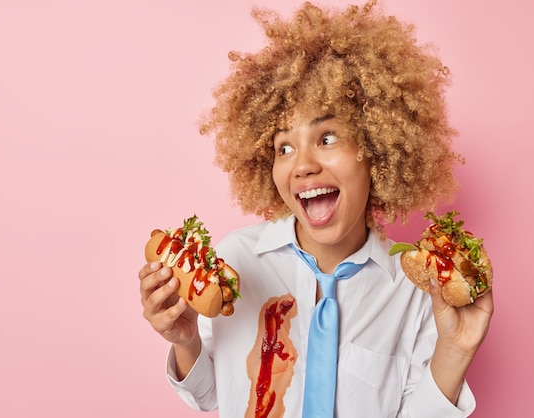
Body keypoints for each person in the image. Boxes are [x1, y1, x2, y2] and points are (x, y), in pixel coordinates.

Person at [138, 1, 494, 417]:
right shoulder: (236, 260)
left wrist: (456, 349)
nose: (303, 165)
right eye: (284, 147)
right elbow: (212, 396)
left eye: (327, 138)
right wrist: (185, 341)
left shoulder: (416, 293)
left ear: (376, 150)